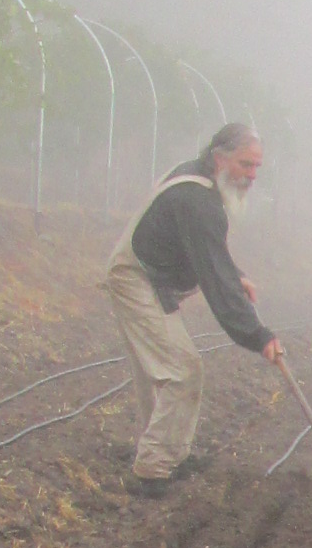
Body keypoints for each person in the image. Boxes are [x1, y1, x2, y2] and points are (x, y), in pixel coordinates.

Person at [102, 122, 282, 487]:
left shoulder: (201, 184)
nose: (252, 175)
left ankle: (171, 455)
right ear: (220, 158)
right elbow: (215, 283)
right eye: (245, 164)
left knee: (161, 373)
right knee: (181, 370)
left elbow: (206, 250)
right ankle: (153, 470)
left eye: (257, 167)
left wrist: (234, 274)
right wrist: (258, 335)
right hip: (136, 278)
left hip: (150, 276)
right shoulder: (196, 199)